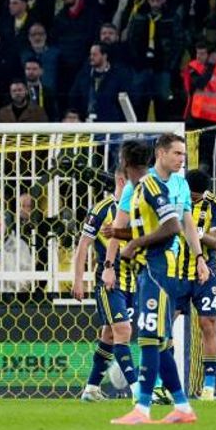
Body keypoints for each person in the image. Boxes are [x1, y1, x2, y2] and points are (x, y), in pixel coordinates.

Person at [110, 134, 210, 425]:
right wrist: (124, 237)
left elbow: (173, 226)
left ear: (125, 163)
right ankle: (183, 407)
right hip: (151, 269)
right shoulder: (142, 188)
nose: (181, 159)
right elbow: (155, 228)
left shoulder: (151, 187)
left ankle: (142, 409)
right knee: (161, 342)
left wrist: (133, 244)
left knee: (149, 338)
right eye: (177, 153)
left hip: (158, 270)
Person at [72, 142, 147, 402]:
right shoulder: (102, 208)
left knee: (110, 333)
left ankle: (91, 388)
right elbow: (83, 245)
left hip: (133, 281)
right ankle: (138, 390)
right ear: (122, 180)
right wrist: (78, 280)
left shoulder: (137, 208)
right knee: (123, 331)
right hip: (109, 282)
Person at [183, 170, 216, 400]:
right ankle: (161, 384)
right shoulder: (174, 198)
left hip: (205, 272)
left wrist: (196, 233)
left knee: (208, 323)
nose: (193, 200)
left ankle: (209, 387)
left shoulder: (215, 205)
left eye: (197, 197)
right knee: (165, 323)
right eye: (191, 196)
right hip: (177, 270)